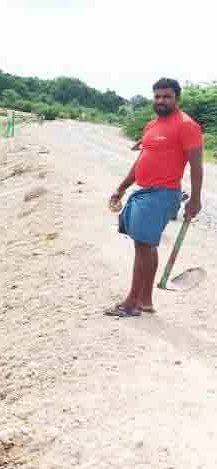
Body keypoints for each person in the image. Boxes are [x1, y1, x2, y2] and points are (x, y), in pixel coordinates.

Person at [107, 78, 203, 317]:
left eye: (166, 96)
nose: (161, 101)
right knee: (146, 246)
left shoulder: (187, 126)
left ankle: (131, 303)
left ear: (176, 98)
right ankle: (145, 301)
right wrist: (121, 188)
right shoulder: (152, 125)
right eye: (157, 96)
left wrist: (196, 199)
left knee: (143, 246)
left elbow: (197, 166)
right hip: (144, 192)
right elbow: (141, 160)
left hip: (162, 194)